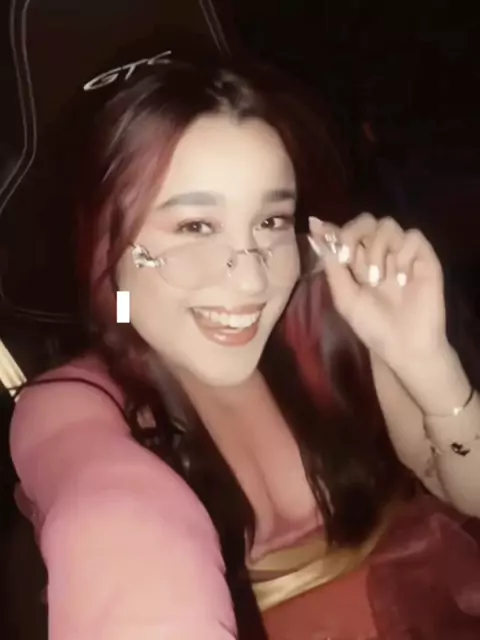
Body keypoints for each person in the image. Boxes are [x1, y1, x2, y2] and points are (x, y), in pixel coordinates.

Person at [8, 53, 480, 640]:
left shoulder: (331, 313)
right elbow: (112, 523)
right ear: (108, 248)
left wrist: (425, 361)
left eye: (271, 222)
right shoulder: (73, 404)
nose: (254, 281)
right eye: (195, 227)